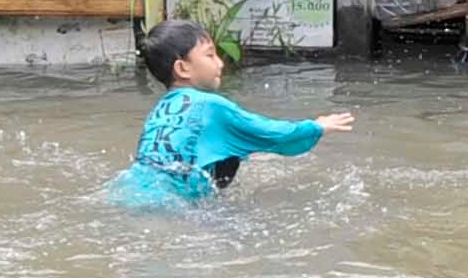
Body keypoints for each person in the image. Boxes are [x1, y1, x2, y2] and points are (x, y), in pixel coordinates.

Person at [109, 19, 352, 207]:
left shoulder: (161, 109)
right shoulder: (211, 105)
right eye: (210, 55)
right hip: (169, 203)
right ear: (182, 68)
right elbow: (273, 133)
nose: (220, 63)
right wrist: (317, 126)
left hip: (128, 190)